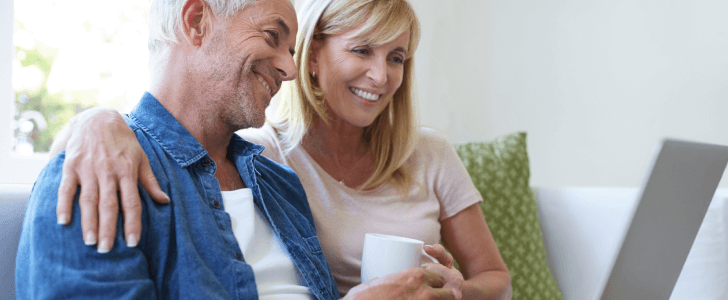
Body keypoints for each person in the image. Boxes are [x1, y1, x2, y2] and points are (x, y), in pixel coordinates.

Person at [51, 0, 511, 298]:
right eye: (273, 38)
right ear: (196, 22)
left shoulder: (270, 179)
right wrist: (95, 121)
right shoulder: (106, 170)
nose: (288, 69)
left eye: (396, 58)